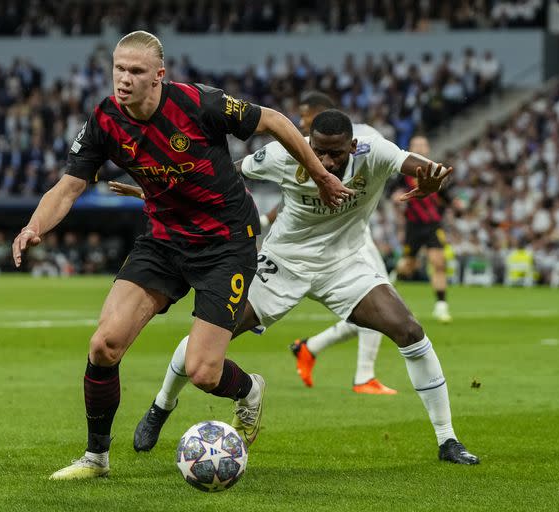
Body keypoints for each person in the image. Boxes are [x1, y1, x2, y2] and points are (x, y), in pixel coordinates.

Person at [11, 31, 354, 481]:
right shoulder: (105, 119)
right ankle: (96, 458)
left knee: (203, 372)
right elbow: (69, 186)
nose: (124, 79)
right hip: (163, 240)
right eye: (119, 69)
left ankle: (249, 390)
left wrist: (321, 177)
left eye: (136, 71)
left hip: (225, 243)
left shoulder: (198, 104)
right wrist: (34, 226)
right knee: (104, 344)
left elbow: (275, 121)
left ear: (158, 76)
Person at [114, 109, 479, 465]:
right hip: (282, 263)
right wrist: (160, 191)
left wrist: (434, 178)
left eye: (335, 152)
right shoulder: (283, 154)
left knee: (410, 330)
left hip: (345, 264)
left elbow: (419, 165)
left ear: (352, 146)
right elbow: (223, 174)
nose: (325, 159)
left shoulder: (374, 152)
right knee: (208, 337)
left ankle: (448, 439)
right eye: (317, 149)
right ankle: (162, 405)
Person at [274, 91, 398, 394]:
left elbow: (383, 167)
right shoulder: (304, 148)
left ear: (318, 113)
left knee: (378, 302)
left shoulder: (368, 137)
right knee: (377, 303)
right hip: (317, 240)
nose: (300, 121)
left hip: (352, 235)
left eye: (304, 114)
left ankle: (314, 349)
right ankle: (360, 374)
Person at [393, 135, 454, 323]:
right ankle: (391, 278)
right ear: (410, 147)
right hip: (413, 226)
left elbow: (446, 196)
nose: (419, 148)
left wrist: (455, 203)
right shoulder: (402, 173)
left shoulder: (436, 171)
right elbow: (393, 193)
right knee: (408, 266)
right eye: (416, 145)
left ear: (428, 148)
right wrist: (397, 198)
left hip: (433, 225)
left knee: (438, 262)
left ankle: (441, 306)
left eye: (422, 145)